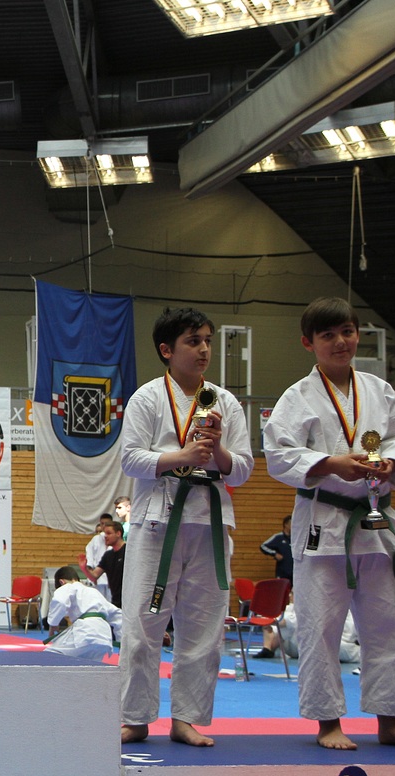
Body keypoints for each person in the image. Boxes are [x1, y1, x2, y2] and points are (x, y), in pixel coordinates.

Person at [263, 296, 395, 751]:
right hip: (324, 521)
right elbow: (278, 455)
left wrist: (391, 464)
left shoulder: (380, 390)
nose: (340, 342)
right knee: (321, 625)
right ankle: (328, 722)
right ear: (308, 343)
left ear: (358, 334)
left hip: (375, 521)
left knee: (387, 623)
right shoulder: (296, 398)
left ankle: (390, 720)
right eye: (328, 335)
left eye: (347, 332)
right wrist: (330, 463)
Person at [118, 308, 253, 748]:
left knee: (204, 625)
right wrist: (183, 456)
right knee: (142, 624)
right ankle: (135, 717)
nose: (204, 349)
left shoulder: (225, 402)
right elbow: (130, 458)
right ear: (166, 350)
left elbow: (243, 469)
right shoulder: (146, 399)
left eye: (208, 340)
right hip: (156, 521)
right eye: (194, 341)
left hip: (209, 520)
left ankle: (186, 719)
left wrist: (217, 453)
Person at [47, 565, 122, 646]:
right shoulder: (94, 592)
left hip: (84, 633)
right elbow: (118, 615)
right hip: (105, 638)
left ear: (62, 582)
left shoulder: (67, 587)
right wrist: (121, 641)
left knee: (52, 650)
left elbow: (60, 601)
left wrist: (53, 624)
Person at [97, 518, 126, 608]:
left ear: (118, 534)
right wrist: (84, 568)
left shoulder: (128, 551)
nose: (105, 536)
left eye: (109, 533)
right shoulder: (108, 555)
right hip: (115, 600)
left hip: (129, 600)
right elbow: (94, 575)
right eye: (105, 533)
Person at [260, 516, 294, 582]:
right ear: (286, 525)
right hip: (282, 573)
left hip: (294, 573)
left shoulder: (295, 538)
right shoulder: (278, 537)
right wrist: (275, 554)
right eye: (292, 524)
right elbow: (263, 546)